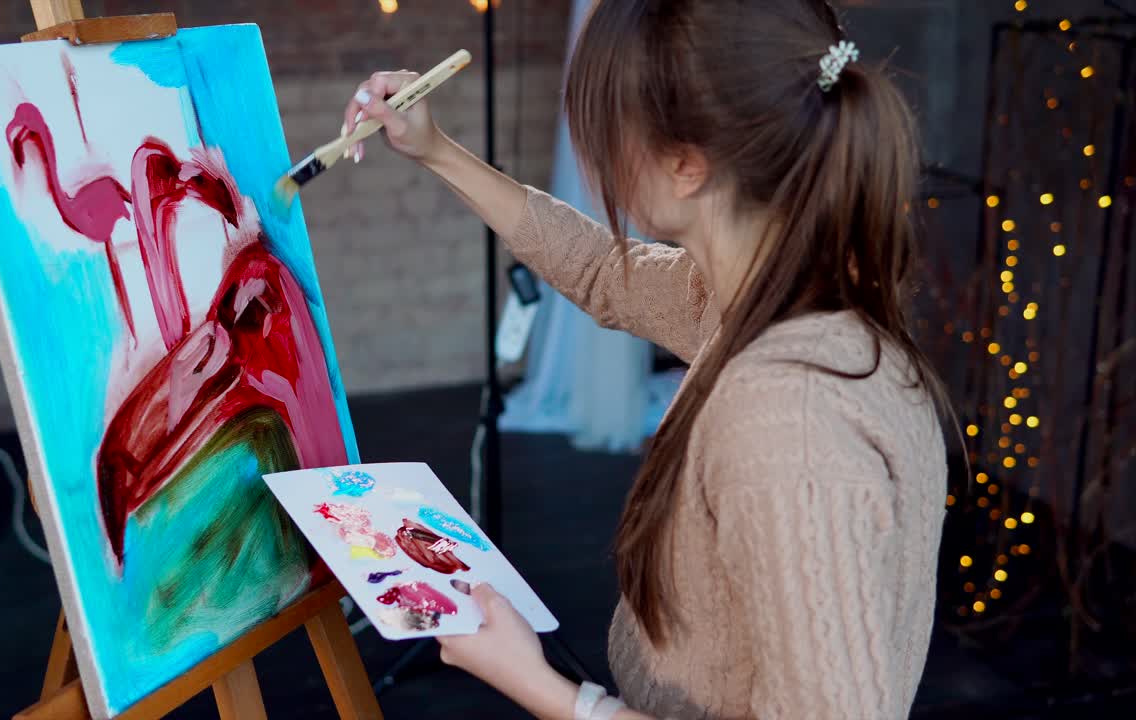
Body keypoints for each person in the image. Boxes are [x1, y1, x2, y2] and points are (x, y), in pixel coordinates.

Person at [340, 0, 951, 717]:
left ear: (687, 164)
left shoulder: (791, 418)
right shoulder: (773, 286)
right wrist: (435, 147)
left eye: (604, 130)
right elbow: (603, 271)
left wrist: (548, 691)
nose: (594, 154)